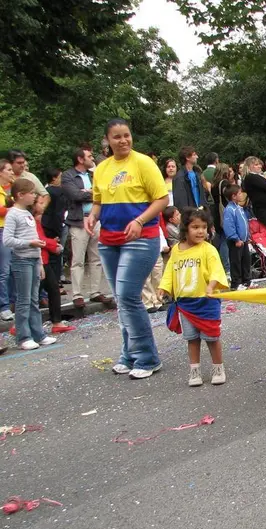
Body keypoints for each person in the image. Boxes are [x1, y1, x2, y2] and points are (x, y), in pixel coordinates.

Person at [87, 118, 169, 379]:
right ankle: (128, 353)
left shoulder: (144, 163)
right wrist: (93, 216)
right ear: (108, 141)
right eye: (117, 137)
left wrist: (139, 220)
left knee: (128, 295)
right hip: (110, 241)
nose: (123, 141)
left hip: (141, 238)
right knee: (122, 299)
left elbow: (162, 199)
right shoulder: (101, 168)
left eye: (126, 135)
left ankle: (147, 357)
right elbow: (98, 201)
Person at [159, 208, 229, 387]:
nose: (200, 231)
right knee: (192, 339)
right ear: (185, 229)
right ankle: (194, 370)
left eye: (204, 227)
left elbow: (216, 271)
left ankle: (218, 367)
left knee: (212, 337)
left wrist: (212, 286)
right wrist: (164, 288)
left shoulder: (209, 250)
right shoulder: (176, 250)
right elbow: (169, 272)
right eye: (195, 227)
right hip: (185, 303)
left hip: (206, 302)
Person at [3, 179, 58, 350]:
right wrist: (30, 243)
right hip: (21, 260)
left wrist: (40, 262)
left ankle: (38, 334)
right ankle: (23, 336)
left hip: (34, 260)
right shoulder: (13, 214)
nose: (35, 196)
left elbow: (35, 239)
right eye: (32, 193)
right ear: (20, 195)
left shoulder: (28, 214)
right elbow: (7, 240)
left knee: (34, 299)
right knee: (24, 300)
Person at [62, 147, 112, 310]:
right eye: (89, 156)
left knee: (96, 257)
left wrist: (88, 192)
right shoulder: (68, 175)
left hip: (96, 218)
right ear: (80, 159)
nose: (92, 158)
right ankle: (77, 294)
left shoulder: (94, 174)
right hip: (78, 220)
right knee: (78, 258)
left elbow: (104, 192)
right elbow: (75, 195)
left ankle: (95, 291)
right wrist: (91, 192)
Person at [32, 195, 75, 334]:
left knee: (52, 290)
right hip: (37, 260)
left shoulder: (37, 220)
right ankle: (21, 325)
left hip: (42, 259)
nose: (43, 205)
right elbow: (37, 239)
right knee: (33, 295)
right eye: (40, 202)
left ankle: (57, 321)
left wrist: (50, 242)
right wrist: (52, 244)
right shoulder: (31, 220)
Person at [42, 168, 68, 290]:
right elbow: (58, 213)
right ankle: (54, 284)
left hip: (46, 225)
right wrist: (58, 230)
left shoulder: (46, 191)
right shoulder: (58, 192)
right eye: (60, 176)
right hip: (54, 227)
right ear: (54, 178)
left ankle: (51, 284)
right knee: (56, 254)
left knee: (49, 255)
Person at [222, 185, 252, 290]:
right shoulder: (229, 210)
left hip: (243, 240)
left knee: (246, 260)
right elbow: (229, 226)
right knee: (236, 261)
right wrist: (235, 238)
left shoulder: (239, 208)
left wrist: (247, 236)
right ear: (233, 196)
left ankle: (246, 281)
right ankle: (236, 283)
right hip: (236, 241)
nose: (241, 195)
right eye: (239, 193)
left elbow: (244, 223)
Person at [241, 157, 266, 231]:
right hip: (262, 208)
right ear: (250, 166)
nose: (260, 166)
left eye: (260, 164)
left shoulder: (259, 175)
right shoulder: (251, 177)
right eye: (256, 165)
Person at [209, 163, 232, 274]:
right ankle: (227, 267)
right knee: (225, 240)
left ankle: (221, 265)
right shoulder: (225, 183)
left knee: (219, 238)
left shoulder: (214, 184)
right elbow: (228, 196)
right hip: (224, 213)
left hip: (217, 214)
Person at [0, 160, 15, 321]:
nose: (12, 172)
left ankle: (12, 302)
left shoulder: (10, 188)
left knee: (12, 269)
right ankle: (3, 306)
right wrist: (13, 209)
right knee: (4, 271)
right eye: (9, 170)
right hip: (1, 230)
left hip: (11, 230)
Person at [141, 227, 168, 314]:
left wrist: (164, 245)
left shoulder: (155, 223)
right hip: (143, 249)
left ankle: (159, 301)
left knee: (158, 276)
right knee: (146, 277)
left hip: (157, 250)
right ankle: (148, 303)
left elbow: (160, 234)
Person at [173, 147, 208, 212]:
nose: (197, 157)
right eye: (194, 155)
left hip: (201, 213)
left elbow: (202, 196)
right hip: (190, 216)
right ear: (187, 157)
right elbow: (181, 202)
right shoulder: (179, 177)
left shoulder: (197, 174)